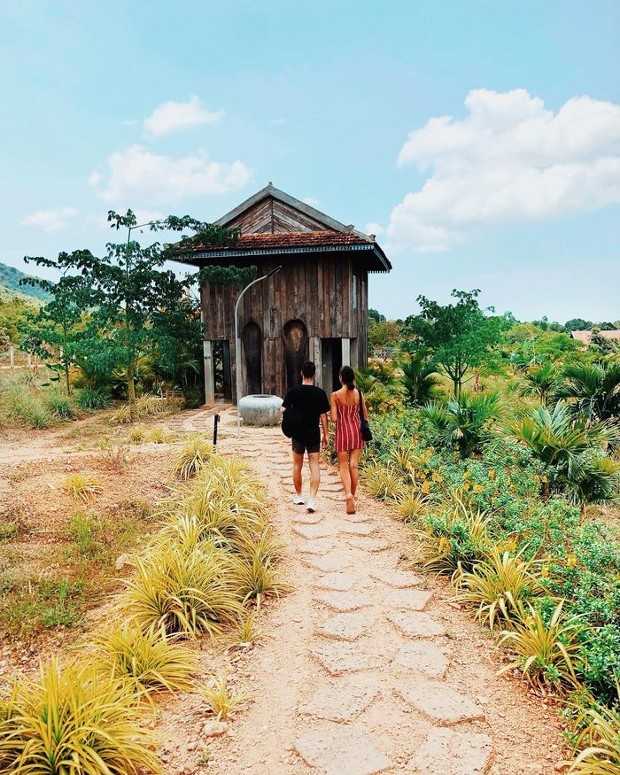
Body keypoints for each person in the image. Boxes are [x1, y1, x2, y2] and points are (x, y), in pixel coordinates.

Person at [281, 361, 330, 513]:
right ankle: (312, 499)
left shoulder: (293, 391)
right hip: (313, 433)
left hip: (297, 433)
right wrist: (326, 434)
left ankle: (299, 495)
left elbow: (282, 409)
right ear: (314, 374)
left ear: (301, 373)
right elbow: (323, 415)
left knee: (297, 465)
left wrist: (293, 416)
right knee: (314, 465)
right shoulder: (320, 393)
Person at [330, 365, 367, 514]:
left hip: (343, 432)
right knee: (354, 465)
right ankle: (353, 495)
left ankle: (348, 495)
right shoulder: (359, 394)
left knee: (344, 465)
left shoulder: (335, 395)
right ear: (353, 378)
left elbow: (333, 419)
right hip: (357, 431)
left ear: (340, 378)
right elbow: (365, 415)